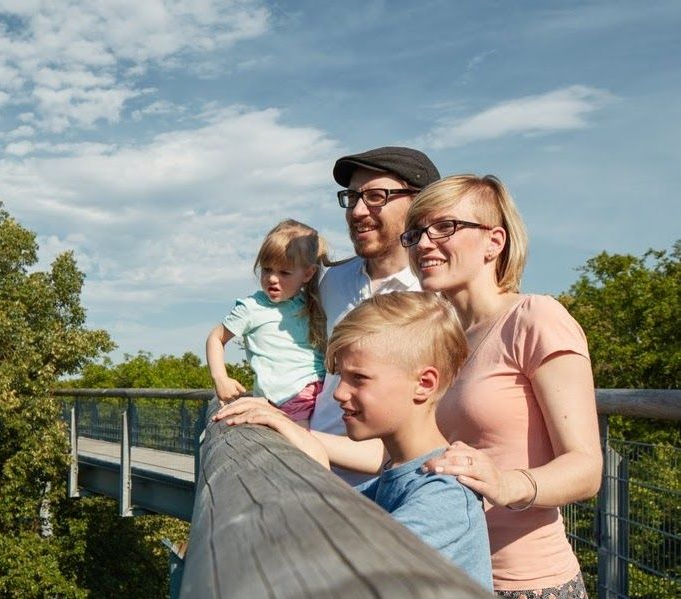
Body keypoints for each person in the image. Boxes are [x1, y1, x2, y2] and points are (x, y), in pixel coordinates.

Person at [403, 174, 601, 597]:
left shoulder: (536, 318)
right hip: (451, 576)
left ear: (494, 242)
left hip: (526, 584)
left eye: (445, 227)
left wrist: (506, 484)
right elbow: (402, 451)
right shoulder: (443, 341)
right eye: (416, 231)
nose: (423, 243)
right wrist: (293, 432)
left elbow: (586, 469)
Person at [216, 291, 493, 589]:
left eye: (358, 378)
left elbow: (342, 575)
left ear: (424, 384)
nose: (338, 393)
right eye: (339, 376)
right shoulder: (397, 477)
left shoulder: (444, 495)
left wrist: (317, 475)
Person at [310, 146, 441, 483]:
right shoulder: (333, 282)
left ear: (419, 204)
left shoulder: (439, 293)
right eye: (352, 197)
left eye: (376, 196)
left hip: (396, 487)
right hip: (318, 473)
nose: (357, 211)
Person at [205, 219, 328, 425]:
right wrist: (221, 379)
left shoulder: (313, 303)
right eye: (267, 269)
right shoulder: (252, 308)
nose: (272, 278)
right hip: (283, 401)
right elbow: (216, 338)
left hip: (318, 395)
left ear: (307, 273)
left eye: (284, 272)